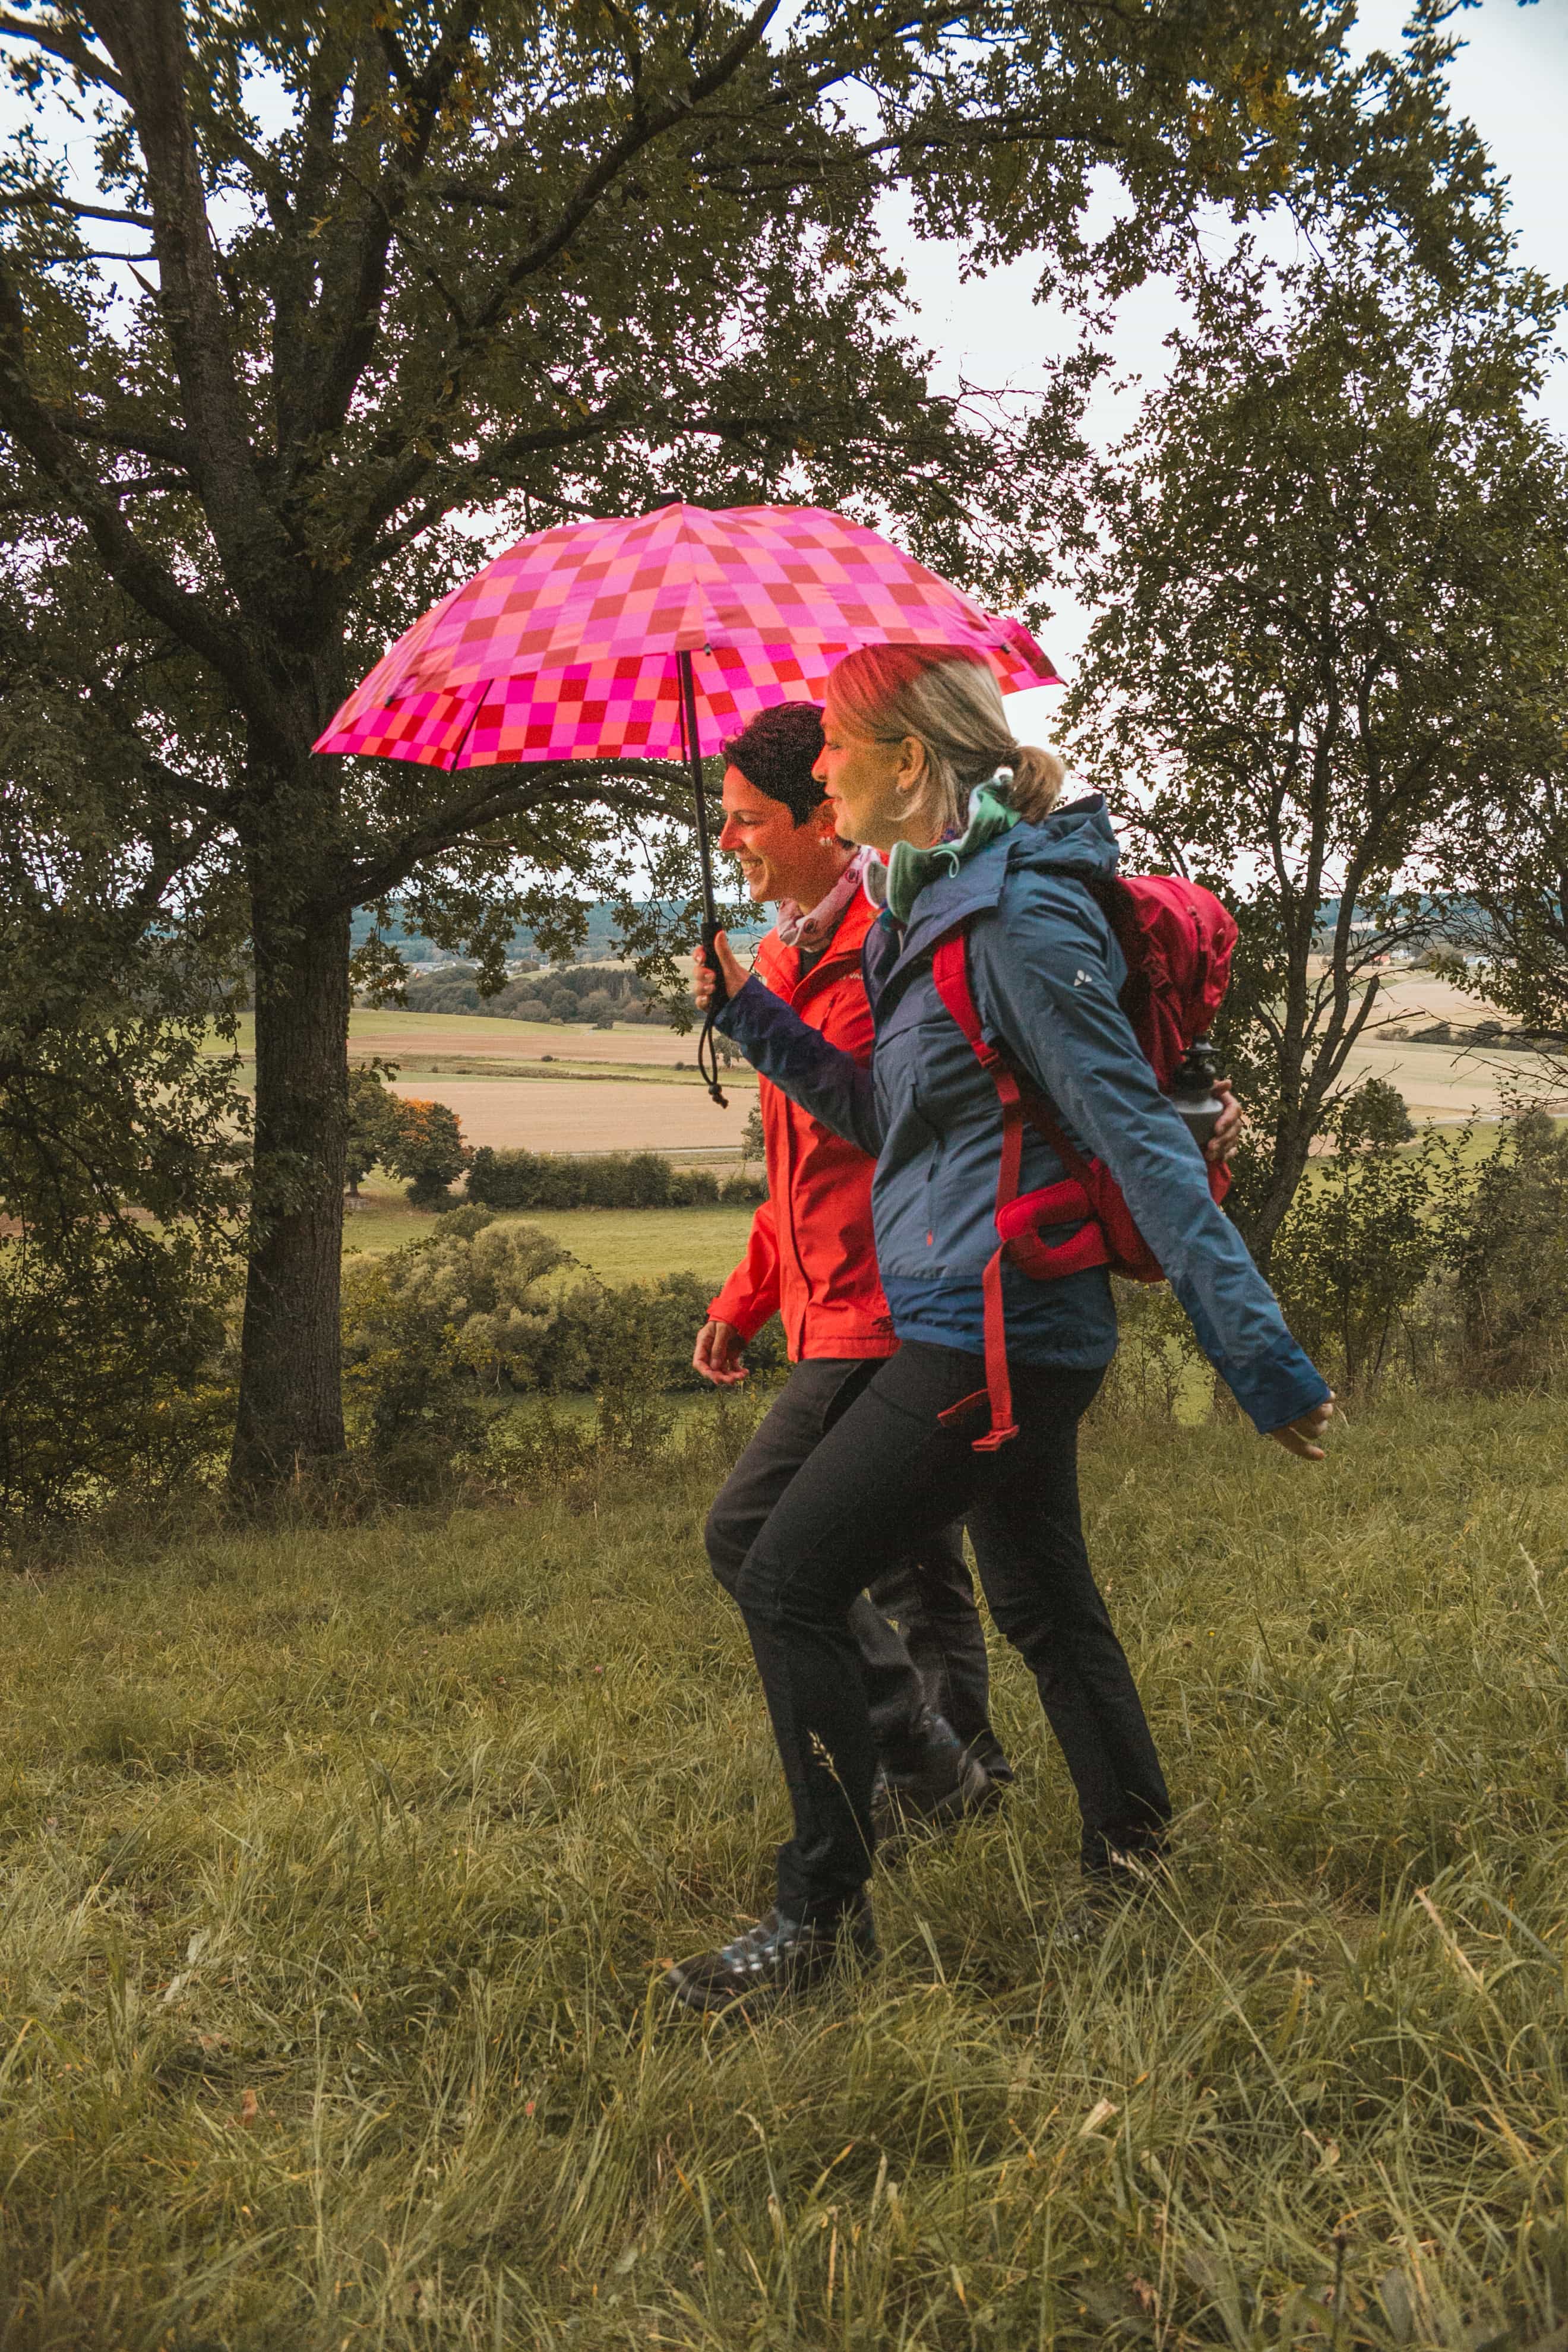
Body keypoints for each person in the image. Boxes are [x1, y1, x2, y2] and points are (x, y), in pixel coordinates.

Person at [665, 646, 1333, 2015]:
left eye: (838, 749)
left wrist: (1261, 1361)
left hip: (1000, 1328)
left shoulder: (1015, 917)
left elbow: (1133, 1131)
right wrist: (752, 1018)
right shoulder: (926, 915)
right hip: (975, 1310)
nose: (821, 773)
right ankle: (1136, 1853)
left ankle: (817, 1923)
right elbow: (885, 1121)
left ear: (909, 762)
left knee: (785, 1572)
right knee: (1039, 1598)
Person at [696, 700, 1007, 1835]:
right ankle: (964, 1778)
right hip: (821, 1307)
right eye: (724, 821)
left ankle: (923, 1759)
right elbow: (794, 1172)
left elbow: (889, 1126)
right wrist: (746, 1299)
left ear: (824, 816)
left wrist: (755, 1024)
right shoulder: (783, 956)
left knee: (760, 1535)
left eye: (746, 819)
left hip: (894, 1300)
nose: (729, 840)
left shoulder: (883, 947)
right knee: (915, 1566)